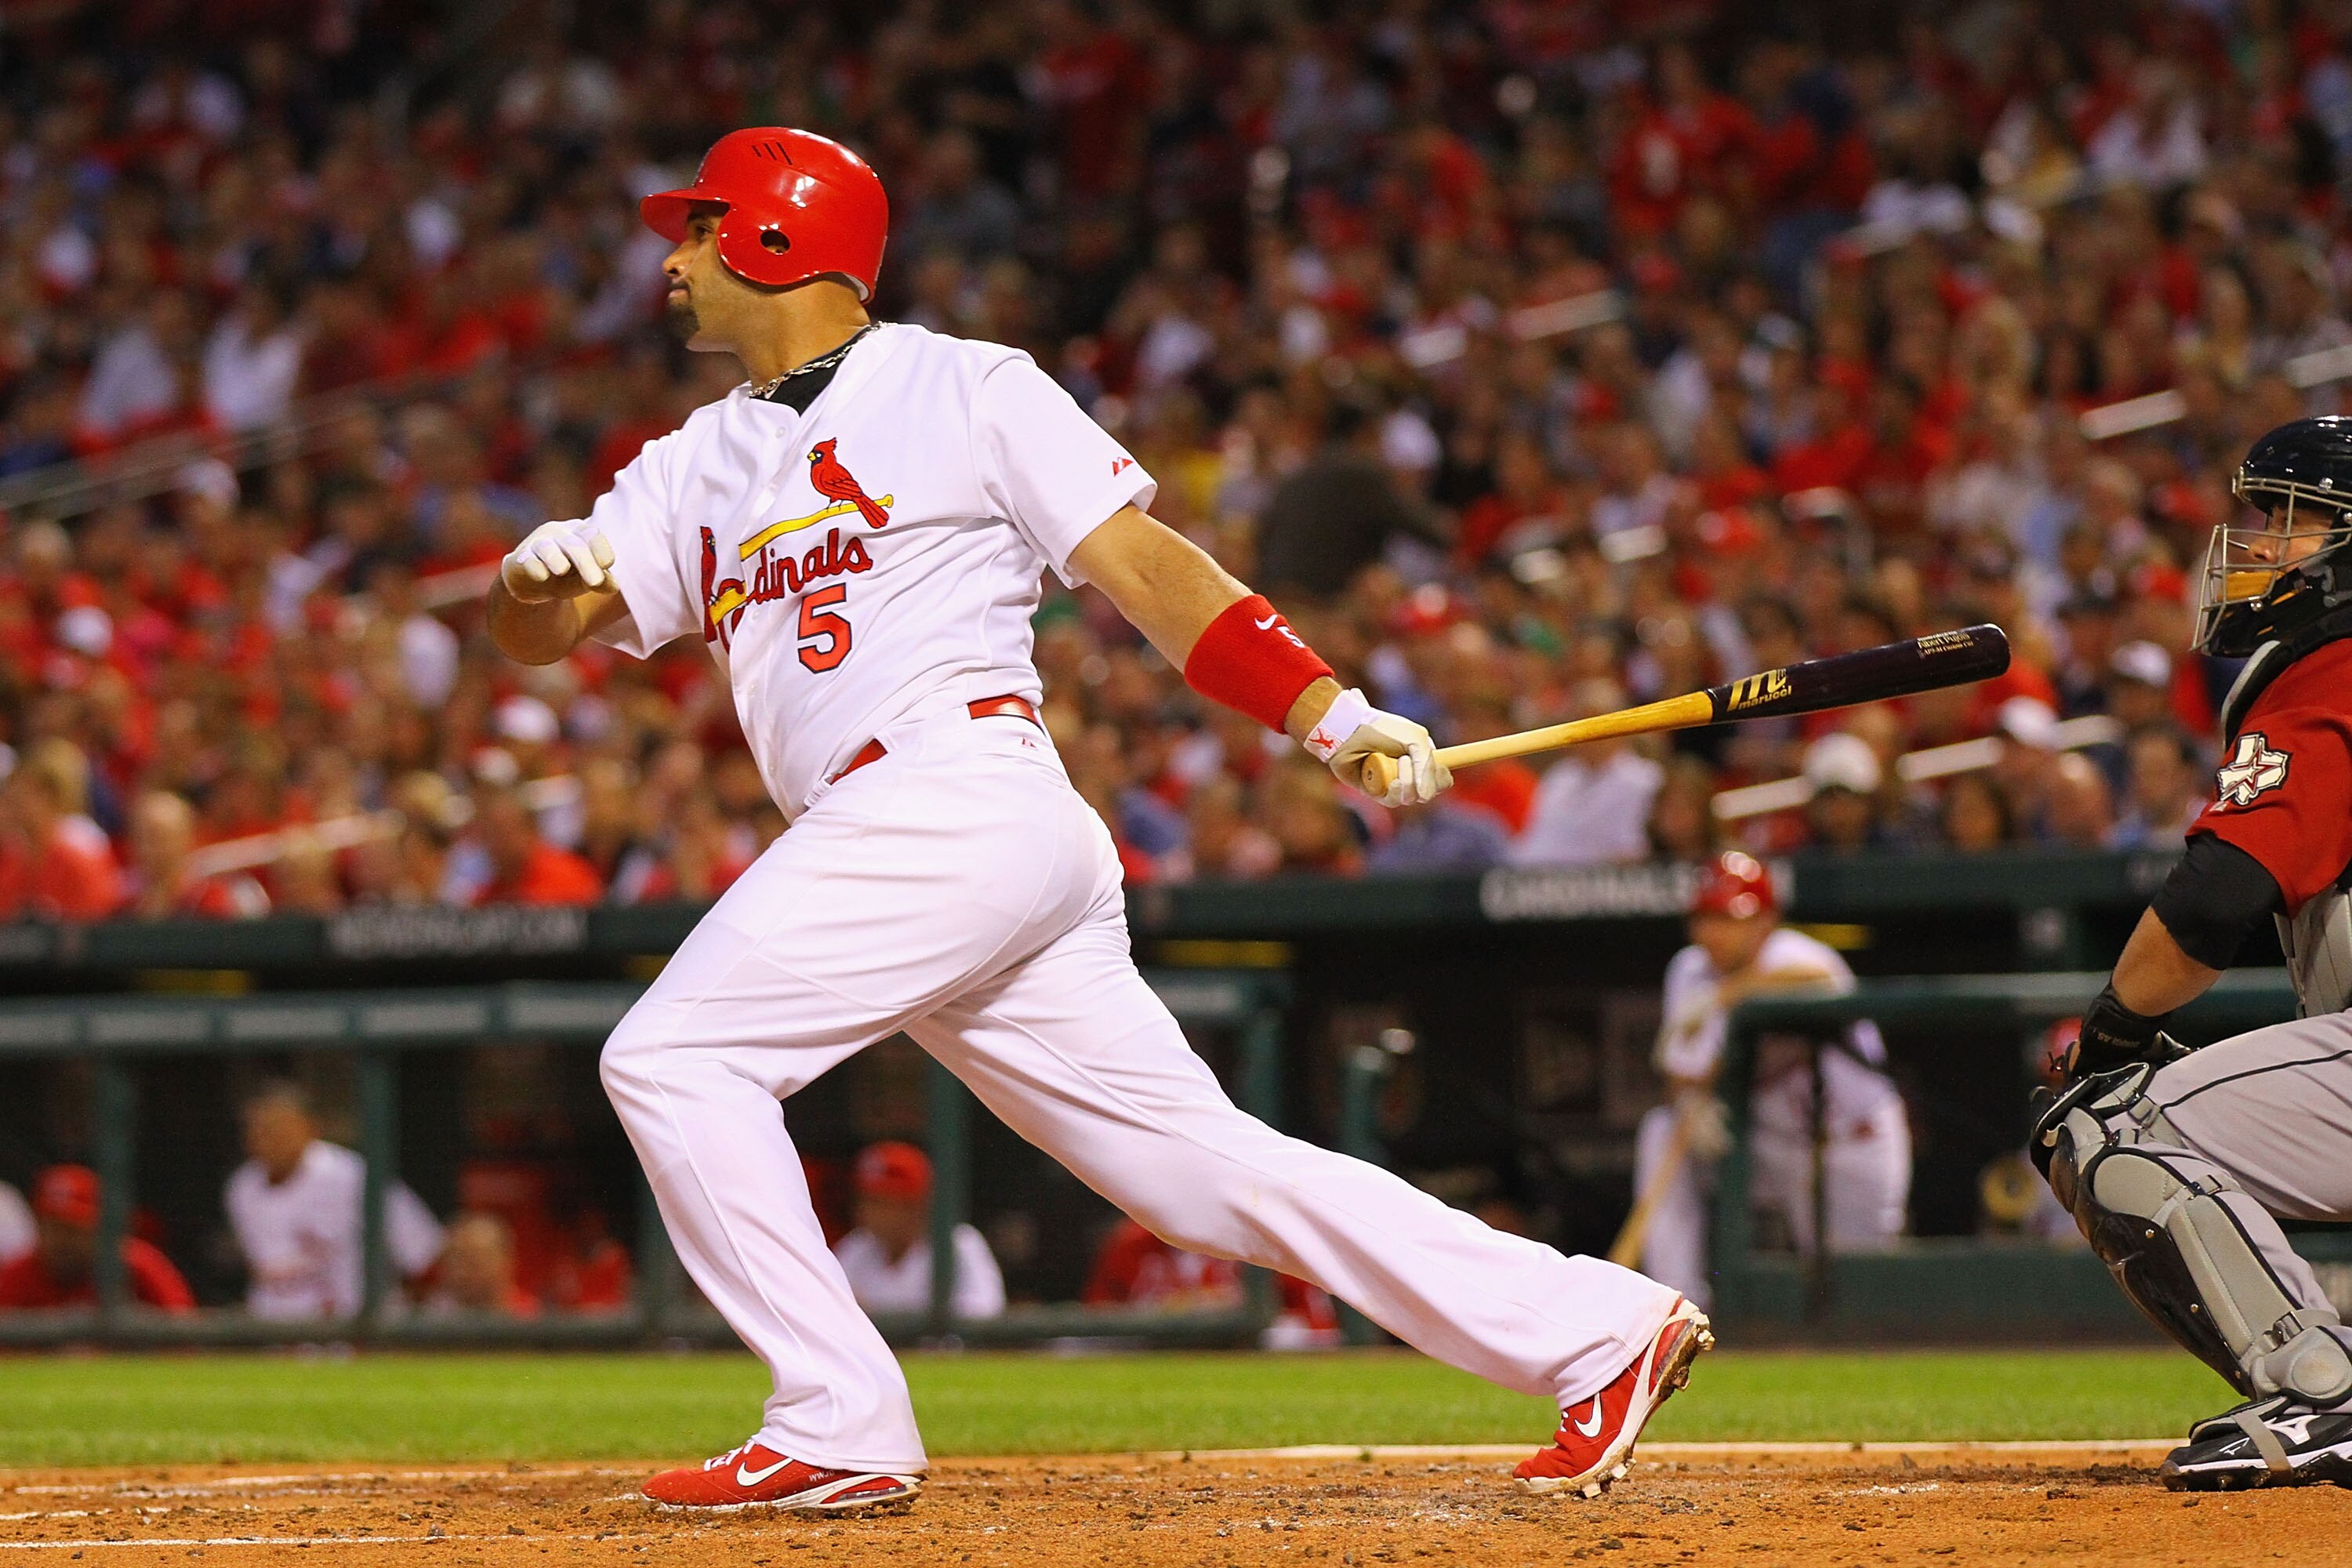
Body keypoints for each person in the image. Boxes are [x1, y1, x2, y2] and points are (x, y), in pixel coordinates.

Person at [488, 127, 1703, 1513]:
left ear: (774, 236)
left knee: (674, 1059)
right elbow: (549, 632)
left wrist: (1328, 710)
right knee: (1197, 1177)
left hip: (952, 794)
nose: (672, 256)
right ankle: (1595, 1327)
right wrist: (535, 583)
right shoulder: (691, 461)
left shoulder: (963, 385)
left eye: (700, 227)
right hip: (934, 835)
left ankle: (837, 1414)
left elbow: (1141, 564)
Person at [2034, 416, 2352, 1490]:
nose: (2259, 544)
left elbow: (2220, 898)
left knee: (2113, 1120)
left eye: (2295, 523)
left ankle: (2327, 1396)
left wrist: (2114, 1034)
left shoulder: (2335, 665)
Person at [1632, 852, 1911, 1309]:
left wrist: (1728, 995)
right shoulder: (1688, 969)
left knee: (1860, 1300)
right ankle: (1675, 1309)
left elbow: (1816, 980)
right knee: (1662, 1131)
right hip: (1766, 1145)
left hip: (1849, 1146)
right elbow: (1681, 1073)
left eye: (1730, 918)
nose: (1713, 933)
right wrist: (1689, 1102)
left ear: (1767, 921)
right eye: (1705, 918)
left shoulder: (1798, 954)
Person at [223, 1080, 445, 1319]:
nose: (267, 1139)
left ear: (311, 1128)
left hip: (352, 1338)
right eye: (258, 1130)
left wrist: (395, 1321)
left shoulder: (353, 1176)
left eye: (278, 1129)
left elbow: (425, 1254)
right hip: (276, 1339)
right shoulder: (241, 1187)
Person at [830, 1142, 1004, 1321]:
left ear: (915, 1204)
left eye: (881, 1202)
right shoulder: (855, 1247)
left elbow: (984, 1314)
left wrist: (874, 1313)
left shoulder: (959, 1243)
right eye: (864, 1200)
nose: (865, 1211)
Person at [0, 1165, 194, 1312]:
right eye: (51, 1227)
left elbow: (187, 1344)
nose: (61, 1240)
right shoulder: (15, 1277)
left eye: (72, 1229)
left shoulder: (139, 1268)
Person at [420, 1212, 540, 1318]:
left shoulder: (532, 1319)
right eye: (453, 1262)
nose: (460, 1273)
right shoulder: (431, 1317)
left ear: (506, 1263)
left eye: (472, 1262)